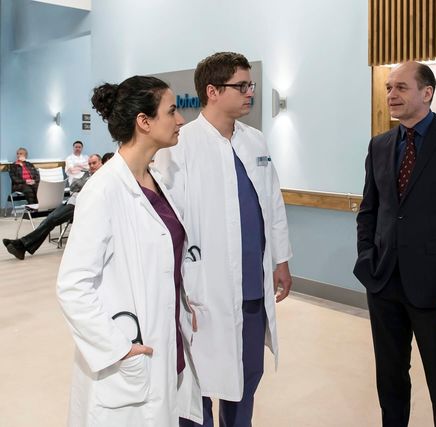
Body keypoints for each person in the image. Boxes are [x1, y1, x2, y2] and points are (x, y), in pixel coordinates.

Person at [154, 51, 293, 427]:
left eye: (251, 85)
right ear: (212, 91)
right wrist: (177, 285)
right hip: (203, 288)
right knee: (196, 382)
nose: (250, 92)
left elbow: (273, 203)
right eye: (241, 86)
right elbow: (168, 222)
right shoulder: (180, 145)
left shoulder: (255, 141)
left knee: (246, 377)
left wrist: (281, 259)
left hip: (252, 286)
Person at [56, 76, 202, 426]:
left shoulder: (157, 181)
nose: (180, 119)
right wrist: (118, 347)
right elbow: (72, 287)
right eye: (172, 111)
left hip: (167, 342)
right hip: (130, 352)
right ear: (144, 121)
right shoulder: (103, 191)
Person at [353, 61, 436, 427]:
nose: (391, 95)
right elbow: (369, 210)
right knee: (390, 378)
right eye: (388, 88)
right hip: (383, 282)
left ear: (427, 93)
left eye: (401, 87)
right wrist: (367, 258)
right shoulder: (380, 145)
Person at [3, 154, 102, 260]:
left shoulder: (101, 176)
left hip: (79, 205)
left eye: (94, 163)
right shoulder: (87, 174)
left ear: (101, 163)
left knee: (51, 220)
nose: (91, 166)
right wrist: (84, 181)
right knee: (49, 220)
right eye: (90, 164)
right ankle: (22, 246)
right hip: (71, 202)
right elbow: (73, 186)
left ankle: (21, 244)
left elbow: (87, 189)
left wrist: (83, 183)